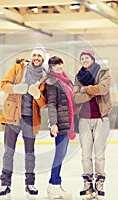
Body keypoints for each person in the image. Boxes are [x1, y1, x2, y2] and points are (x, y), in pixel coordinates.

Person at [0, 45, 47, 198]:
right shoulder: (18, 68)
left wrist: (38, 95)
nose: (36, 58)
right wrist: (16, 88)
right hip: (13, 115)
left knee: (30, 153)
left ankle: (29, 183)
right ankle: (5, 184)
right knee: (8, 152)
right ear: (31, 57)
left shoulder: (45, 77)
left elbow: (44, 104)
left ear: (43, 59)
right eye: (34, 55)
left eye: (39, 56)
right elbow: (3, 84)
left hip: (30, 118)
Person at [72, 50, 112, 199]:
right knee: (85, 154)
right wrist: (92, 92)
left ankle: (100, 182)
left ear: (92, 59)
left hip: (101, 118)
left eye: (86, 57)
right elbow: (75, 97)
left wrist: (85, 89)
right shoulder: (78, 77)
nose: (84, 60)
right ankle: (88, 183)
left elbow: (103, 89)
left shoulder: (103, 73)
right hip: (84, 120)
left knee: (100, 154)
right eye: (82, 58)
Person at [45, 56, 76, 200]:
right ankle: (56, 184)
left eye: (60, 64)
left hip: (67, 122)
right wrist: (53, 123)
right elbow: (51, 104)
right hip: (60, 123)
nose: (59, 66)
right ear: (50, 67)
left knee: (61, 155)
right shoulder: (52, 81)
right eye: (55, 65)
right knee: (59, 155)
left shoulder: (66, 79)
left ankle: (52, 186)